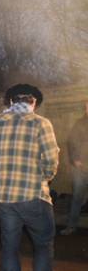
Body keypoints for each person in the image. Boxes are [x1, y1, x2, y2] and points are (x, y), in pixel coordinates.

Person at [0, 83, 63, 271]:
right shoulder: (41, 123)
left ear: (10, 102)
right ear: (33, 102)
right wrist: (43, 177)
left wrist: (5, 168)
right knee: (43, 245)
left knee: (9, 246)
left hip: (5, 198)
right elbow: (50, 160)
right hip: (34, 194)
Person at [62, 100, 88, 235]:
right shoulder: (80, 123)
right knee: (77, 197)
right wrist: (75, 160)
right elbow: (71, 142)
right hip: (81, 167)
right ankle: (71, 226)